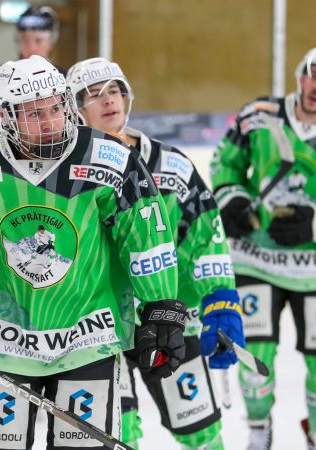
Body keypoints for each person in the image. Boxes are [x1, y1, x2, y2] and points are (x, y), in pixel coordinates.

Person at [0, 55, 188, 449]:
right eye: (33, 113)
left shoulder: (111, 159)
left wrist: (161, 308)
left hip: (89, 341)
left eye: (55, 107)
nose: (49, 121)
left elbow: (147, 239)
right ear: (7, 116)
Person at [66, 57, 245, 450]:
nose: (108, 100)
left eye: (114, 90)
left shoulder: (173, 165)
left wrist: (220, 298)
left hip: (168, 319)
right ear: (74, 110)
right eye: (93, 95)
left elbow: (206, 233)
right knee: (117, 437)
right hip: (98, 328)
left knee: (202, 433)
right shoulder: (67, 173)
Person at [211, 43, 316, 450]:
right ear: (299, 73)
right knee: (253, 359)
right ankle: (258, 430)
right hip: (257, 259)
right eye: (312, 73)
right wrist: (231, 198)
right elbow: (225, 164)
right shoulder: (259, 116)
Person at [0, 6, 64, 146]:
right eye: (25, 40)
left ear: (51, 43)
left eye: (38, 41)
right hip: (3, 165)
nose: (31, 48)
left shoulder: (66, 80)